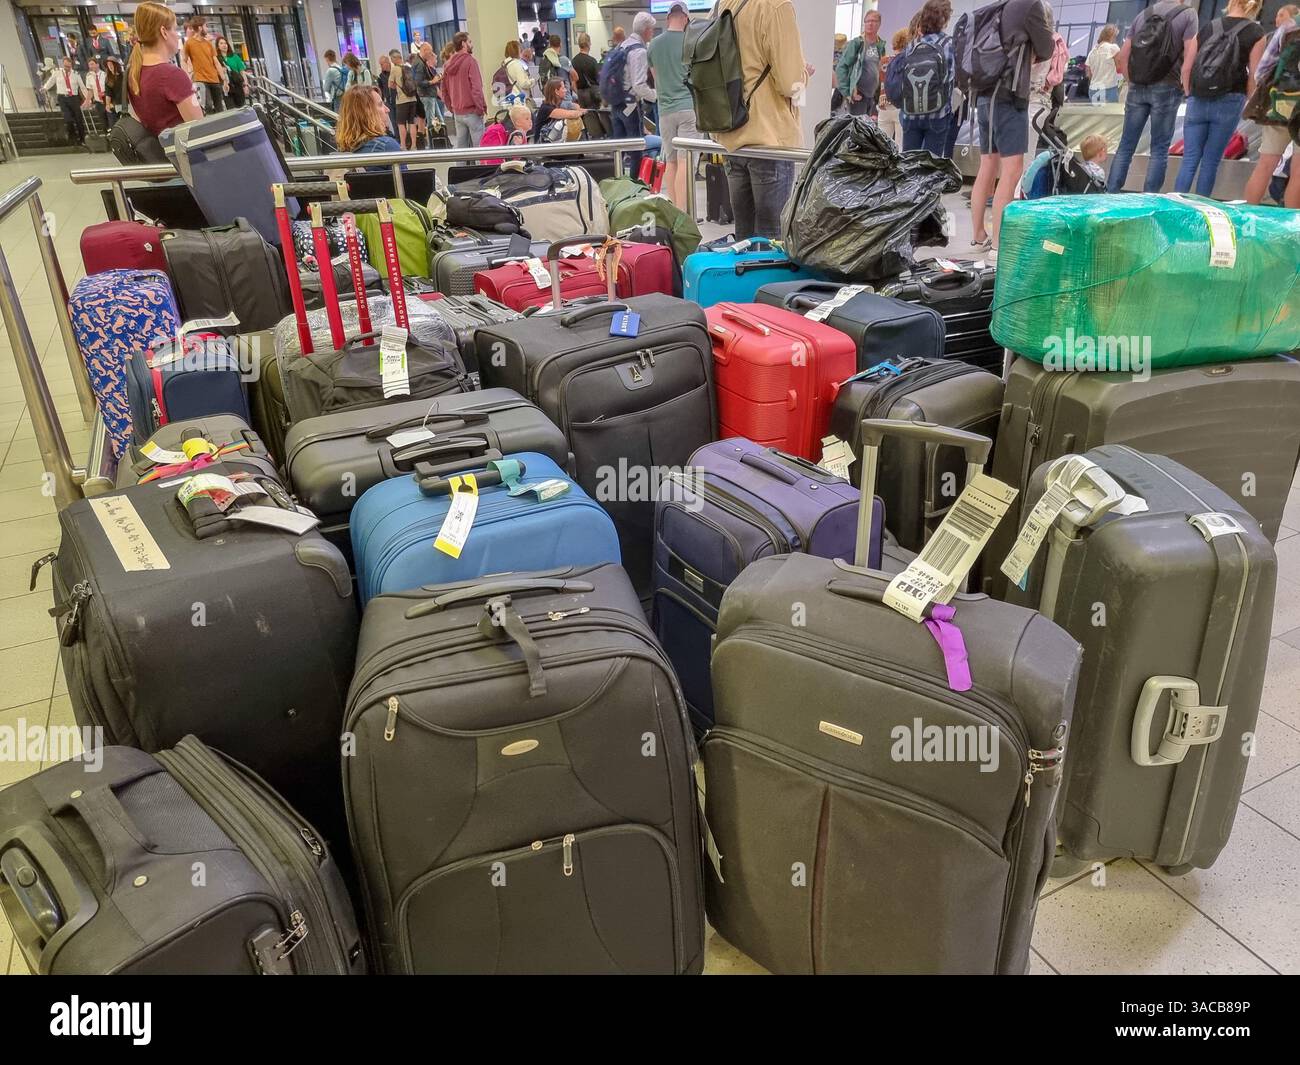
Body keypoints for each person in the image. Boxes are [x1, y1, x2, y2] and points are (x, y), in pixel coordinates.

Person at [715, 0, 811, 240]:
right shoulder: (777, 6)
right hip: (769, 137)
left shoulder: (726, 3)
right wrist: (805, 76)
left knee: (744, 237)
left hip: (733, 134)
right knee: (772, 238)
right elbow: (790, 84)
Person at [966, 0, 1054, 255]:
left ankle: (978, 235)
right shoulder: (1031, 5)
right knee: (1012, 170)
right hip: (1009, 96)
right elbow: (1046, 48)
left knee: (987, 166)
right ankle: (998, 243)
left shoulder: (998, 7)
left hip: (984, 95)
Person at [1174, 0, 1267, 197]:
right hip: (1230, 100)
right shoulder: (1257, 34)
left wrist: (1190, 95)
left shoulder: (1208, 27)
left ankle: (1175, 208)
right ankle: (1201, 210)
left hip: (1198, 98)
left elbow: (1187, 67)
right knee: (1210, 161)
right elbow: (1254, 77)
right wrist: (1252, 105)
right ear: (1255, 6)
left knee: (1190, 159)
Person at [1106, 0, 1199, 193]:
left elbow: (1123, 55)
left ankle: (1111, 193)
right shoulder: (1188, 14)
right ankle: (1149, 199)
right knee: (1159, 149)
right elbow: (1190, 58)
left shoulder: (1143, 15)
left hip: (1138, 86)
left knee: (1126, 145)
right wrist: (1187, 88)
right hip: (1167, 86)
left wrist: (1131, 81)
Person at [647, 3, 700, 208]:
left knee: (671, 161)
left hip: (665, 110)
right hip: (688, 107)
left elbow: (656, 78)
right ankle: (684, 212)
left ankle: (674, 211)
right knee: (685, 162)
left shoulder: (653, 44)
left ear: (668, 17)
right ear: (686, 18)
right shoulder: (692, 42)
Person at [1245, 14, 1300, 206]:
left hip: (1280, 106)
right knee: (1298, 173)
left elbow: (1262, 71)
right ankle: (1293, 228)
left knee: (1265, 165)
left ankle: (1248, 219)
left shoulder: (1288, 28)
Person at [127, 2, 204, 137]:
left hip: (157, 154)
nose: (177, 35)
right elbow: (199, 129)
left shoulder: (133, 72)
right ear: (164, 32)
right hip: (181, 154)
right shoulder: (172, 75)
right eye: (174, 29)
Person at [897, 0, 956, 156]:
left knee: (909, 164)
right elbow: (952, 77)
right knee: (931, 166)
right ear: (944, 19)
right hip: (938, 113)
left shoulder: (911, 45)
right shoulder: (948, 44)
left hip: (910, 112)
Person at [609, 11, 658, 174]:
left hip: (616, 104)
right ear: (646, 30)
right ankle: (634, 186)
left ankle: (619, 184)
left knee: (619, 150)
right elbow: (638, 85)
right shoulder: (640, 51)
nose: (652, 32)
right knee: (636, 150)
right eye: (652, 29)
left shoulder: (622, 45)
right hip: (630, 106)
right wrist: (656, 96)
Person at [335, 84, 403, 169]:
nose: (387, 110)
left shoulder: (344, 152)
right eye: (380, 104)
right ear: (366, 113)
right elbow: (405, 181)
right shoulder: (386, 147)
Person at [836, 8, 886, 117]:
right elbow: (841, 67)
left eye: (873, 21)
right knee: (857, 129)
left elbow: (881, 69)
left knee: (869, 131)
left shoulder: (880, 45)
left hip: (873, 97)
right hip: (858, 95)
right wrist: (847, 92)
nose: (870, 24)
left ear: (879, 24)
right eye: (867, 21)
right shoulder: (857, 43)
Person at [443, 31, 487, 147]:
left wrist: (451, 108)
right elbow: (476, 88)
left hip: (457, 112)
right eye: (470, 42)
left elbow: (444, 90)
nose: (471, 44)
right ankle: (480, 166)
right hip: (472, 111)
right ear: (463, 43)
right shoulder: (471, 62)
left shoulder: (448, 65)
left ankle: (459, 166)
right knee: (479, 150)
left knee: (461, 150)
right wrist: (480, 108)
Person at [183, 17, 225, 113]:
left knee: (220, 107)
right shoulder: (189, 43)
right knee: (208, 105)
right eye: (206, 26)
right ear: (200, 27)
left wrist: (224, 78)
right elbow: (184, 61)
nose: (207, 29)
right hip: (201, 79)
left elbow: (216, 61)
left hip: (214, 78)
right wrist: (187, 77)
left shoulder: (209, 44)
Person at [44, 57, 87, 147]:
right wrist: (45, 88)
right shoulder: (57, 73)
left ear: (71, 65)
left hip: (74, 98)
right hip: (63, 98)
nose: (67, 68)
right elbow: (51, 81)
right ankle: (73, 139)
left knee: (79, 119)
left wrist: (87, 99)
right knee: (68, 119)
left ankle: (82, 138)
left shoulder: (76, 74)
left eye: (68, 66)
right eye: (65, 66)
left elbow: (82, 87)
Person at [877, 29, 910, 147]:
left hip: (883, 106)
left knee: (881, 146)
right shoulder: (908, 60)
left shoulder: (884, 60)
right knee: (900, 146)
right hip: (900, 106)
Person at [534, 78, 587, 142]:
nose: (566, 90)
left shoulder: (560, 103)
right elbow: (571, 114)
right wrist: (580, 112)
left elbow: (574, 106)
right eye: (563, 88)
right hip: (542, 143)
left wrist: (577, 108)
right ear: (556, 92)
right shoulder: (546, 108)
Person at [389, 49, 419, 149]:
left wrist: (397, 87)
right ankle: (414, 145)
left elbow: (390, 84)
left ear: (394, 58)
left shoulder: (394, 69)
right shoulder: (408, 67)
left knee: (401, 124)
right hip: (413, 98)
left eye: (391, 58)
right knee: (412, 122)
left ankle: (403, 145)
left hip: (402, 100)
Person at [413, 42, 444, 133]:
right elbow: (418, 82)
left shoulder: (421, 62)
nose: (431, 55)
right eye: (430, 52)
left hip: (430, 95)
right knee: (431, 122)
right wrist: (432, 81)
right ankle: (433, 144)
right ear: (424, 50)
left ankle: (442, 141)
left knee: (440, 120)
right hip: (427, 96)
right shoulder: (419, 64)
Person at [1086, 25, 1121, 103]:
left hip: (1093, 89)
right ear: (1112, 36)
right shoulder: (1113, 48)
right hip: (1108, 89)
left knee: (1096, 114)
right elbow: (1120, 67)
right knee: (1110, 114)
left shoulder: (1092, 52)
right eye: (1115, 37)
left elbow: (1089, 73)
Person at [498, 40, 534, 107]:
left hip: (509, 97)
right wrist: (532, 81)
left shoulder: (506, 64)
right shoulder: (517, 64)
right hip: (518, 99)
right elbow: (523, 83)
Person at [571, 32, 601, 108]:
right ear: (588, 44)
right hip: (592, 95)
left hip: (580, 94)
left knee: (584, 116)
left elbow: (573, 83)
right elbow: (599, 80)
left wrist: (578, 93)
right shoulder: (592, 61)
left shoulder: (573, 61)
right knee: (593, 117)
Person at [216, 36, 246, 108]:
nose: (224, 45)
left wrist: (245, 85)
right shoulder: (217, 59)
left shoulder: (234, 56)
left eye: (225, 43)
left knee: (241, 106)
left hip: (237, 85)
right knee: (231, 107)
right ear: (217, 46)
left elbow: (242, 71)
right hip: (226, 86)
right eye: (221, 43)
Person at [84, 59, 111, 135]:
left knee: (110, 119)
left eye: (92, 64)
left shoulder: (105, 74)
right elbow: (90, 90)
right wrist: (87, 101)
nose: (91, 66)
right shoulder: (89, 76)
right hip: (98, 101)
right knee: (103, 121)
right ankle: (107, 136)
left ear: (97, 64)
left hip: (107, 100)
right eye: (89, 65)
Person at [103, 55, 127, 127]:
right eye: (108, 65)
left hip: (128, 102)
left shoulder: (124, 75)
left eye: (111, 64)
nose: (110, 66)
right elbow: (108, 93)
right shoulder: (108, 79)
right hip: (117, 103)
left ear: (116, 65)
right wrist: (107, 104)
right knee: (122, 122)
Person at [377, 53, 397, 136]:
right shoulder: (381, 76)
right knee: (393, 122)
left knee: (401, 122)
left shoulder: (395, 71)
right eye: (380, 65)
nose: (381, 66)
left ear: (387, 62)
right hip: (388, 102)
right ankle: (397, 139)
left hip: (398, 100)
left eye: (382, 64)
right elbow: (380, 89)